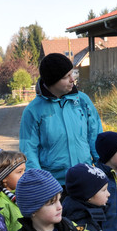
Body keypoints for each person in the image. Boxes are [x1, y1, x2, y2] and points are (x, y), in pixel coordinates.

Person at [19, 53, 103, 187]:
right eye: (66, 77)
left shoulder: (83, 101)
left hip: (86, 178)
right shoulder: (33, 111)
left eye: (72, 73)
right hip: (54, 184)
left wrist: (103, 168)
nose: (72, 79)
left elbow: (96, 136)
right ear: (52, 81)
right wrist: (40, 183)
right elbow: (29, 151)